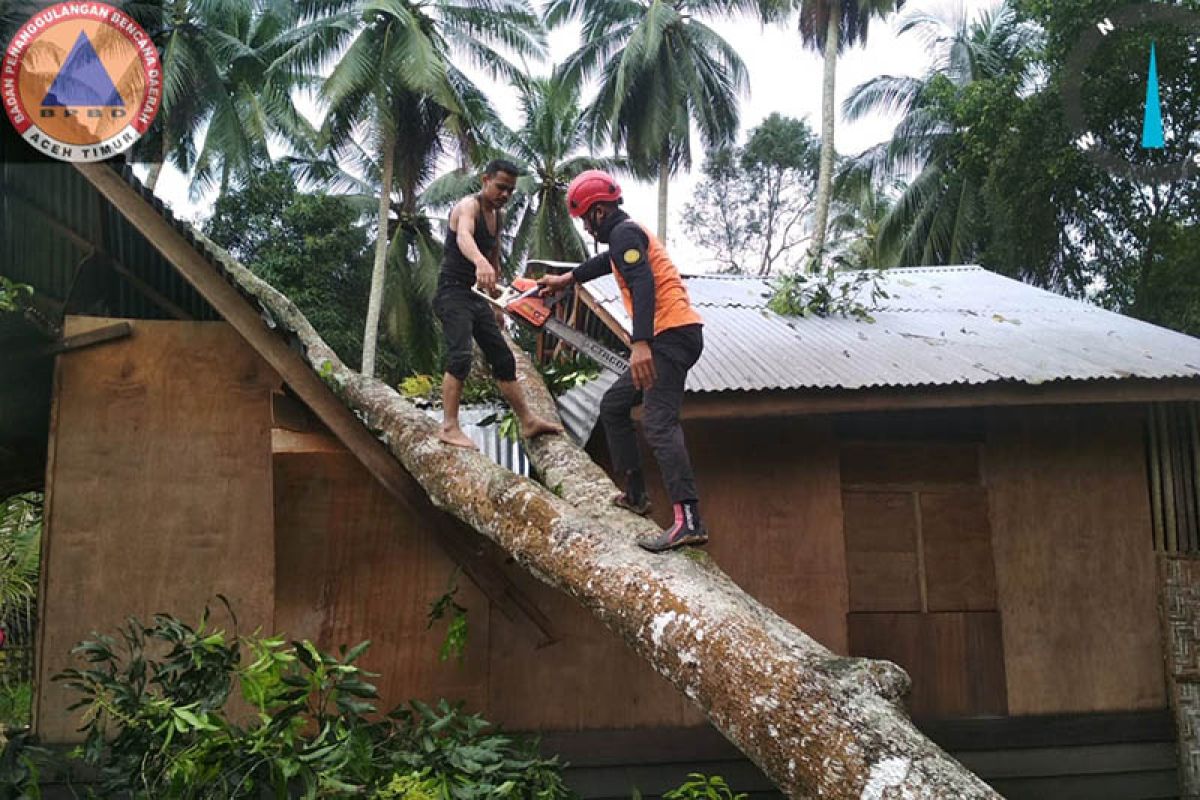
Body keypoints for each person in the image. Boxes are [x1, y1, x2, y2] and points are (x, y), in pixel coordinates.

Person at [538, 169, 707, 553]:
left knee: (659, 423)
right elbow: (608, 264)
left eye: (584, 218)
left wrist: (641, 342)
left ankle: (689, 521)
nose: (586, 227)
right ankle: (635, 494)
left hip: (669, 336)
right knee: (613, 406)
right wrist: (569, 279)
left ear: (597, 211)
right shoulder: (623, 237)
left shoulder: (624, 234)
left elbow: (643, 283)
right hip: (668, 337)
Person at [434, 159, 561, 449]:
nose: (505, 194)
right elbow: (464, 236)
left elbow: (493, 261)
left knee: (503, 359)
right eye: (501, 187)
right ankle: (449, 427)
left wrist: (496, 305)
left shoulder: (497, 216)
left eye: (510, 191)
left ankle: (528, 421)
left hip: (478, 297)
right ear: (485, 180)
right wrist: (478, 261)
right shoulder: (469, 206)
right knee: (460, 357)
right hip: (452, 293)